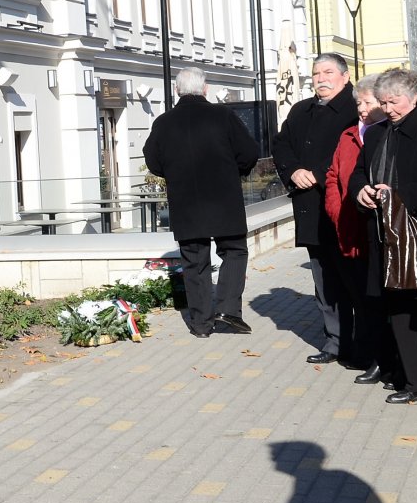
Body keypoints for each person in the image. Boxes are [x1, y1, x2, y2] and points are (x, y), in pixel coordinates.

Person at [350, 69, 417, 417]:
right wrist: (361, 190)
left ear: (412, 97)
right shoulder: (378, 134)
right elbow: (358, 172)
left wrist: (399, 197)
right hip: (384, 236)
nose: (388, 108)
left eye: (393, 101)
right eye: (383, 102)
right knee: (397, 309)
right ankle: (414, 382)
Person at [143, 68, 259, 337]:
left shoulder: (164, 122)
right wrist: (234, 171)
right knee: (234, 251)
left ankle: (201, 324)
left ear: (176, 90)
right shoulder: (224, 116)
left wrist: (175, 173)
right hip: (224, 198)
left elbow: (153, 160)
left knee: (194, 261)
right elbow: (249, 152)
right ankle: (228, 311)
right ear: (205, 89)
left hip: (186, 201)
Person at [272, 53, 359, 363]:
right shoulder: (301, 110)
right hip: (309, 208)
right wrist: (294, 170)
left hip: (344, 209)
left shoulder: (356, 107)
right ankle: (335, 342)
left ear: (345, 77)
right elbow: (280, 144)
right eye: (316, 73)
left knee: (353, 281)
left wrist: (320, 174)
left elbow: (354, 150)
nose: (320, 78)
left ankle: (361, 345)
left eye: (328, 72)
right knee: (324, 282)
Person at [321, 76, 392, 382]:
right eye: (358, 103)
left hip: (382, 232)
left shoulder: (389, 134)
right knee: (361, 298)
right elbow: (334, 177)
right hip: (350, 229)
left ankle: (386, 358)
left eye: (368, 103)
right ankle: (368, 353)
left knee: (382, 299)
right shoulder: (348, 135)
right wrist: (338, 212)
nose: (362, 109)